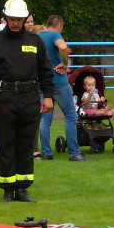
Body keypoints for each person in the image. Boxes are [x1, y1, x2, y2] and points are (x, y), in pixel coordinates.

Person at [0, 0, 54, 203]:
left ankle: (22, 189)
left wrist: (47, 95)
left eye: (20, 19)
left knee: (27, 144)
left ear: (26, 18)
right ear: (6, 17)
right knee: (5, 142)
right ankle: (8, 189)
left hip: (29, 97)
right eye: (12, 19)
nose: (16, 23)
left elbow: (46, 70)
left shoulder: (35, 41)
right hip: (4, 97)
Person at [38, 15, 87, 162]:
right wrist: (65, 63)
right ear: (59, 25)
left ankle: (46, 153)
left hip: (42, 83)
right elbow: (63, 47)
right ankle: (74, 153)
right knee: (71, 116)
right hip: (58, 82)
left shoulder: (38, 36)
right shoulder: (55, 35)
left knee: (45, 119)